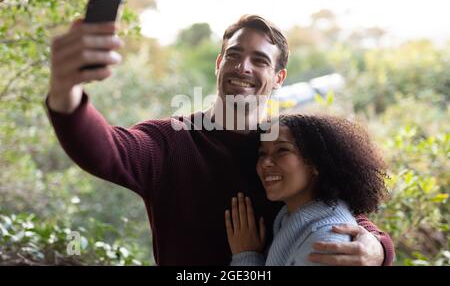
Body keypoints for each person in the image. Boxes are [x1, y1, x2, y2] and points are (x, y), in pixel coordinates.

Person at [46, 14, 394, 265]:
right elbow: (105, 150)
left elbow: (334, 208)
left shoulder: (286, 148)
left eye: (259, 60)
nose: (243, 67)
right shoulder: (171, 141)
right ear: (218, 63)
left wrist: (377, 247)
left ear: (278, 78)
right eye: (234, 54)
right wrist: (66, 90)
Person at [225, 114, 389, 265]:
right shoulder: (290, 218)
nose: (265, 162)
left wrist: (246, 257)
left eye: (282, 150)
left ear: (317, 164)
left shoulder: (328, 243)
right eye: (262, 153)